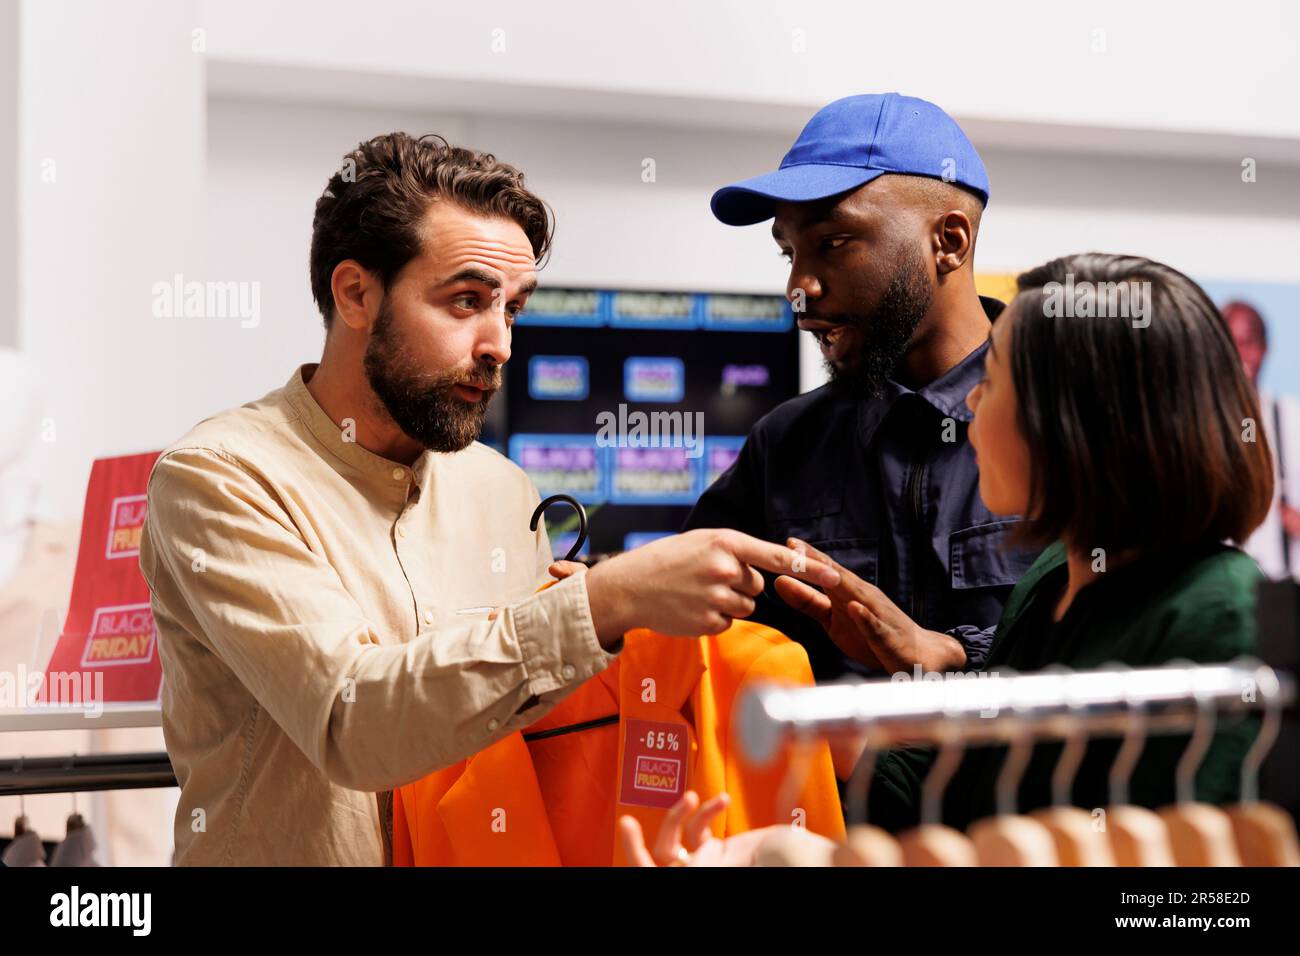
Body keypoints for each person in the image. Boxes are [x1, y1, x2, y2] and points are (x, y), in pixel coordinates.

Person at [139, 133, 837, 866]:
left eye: (512, 309)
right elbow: (352, 722)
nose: (499, 342)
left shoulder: (502, 490)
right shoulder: (219, 478)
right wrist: (602, 604)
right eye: (466, 301)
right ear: (355, 294)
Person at [779, 253, 1273, 830]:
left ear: (1080, 420)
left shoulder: (1221, 618)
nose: (969, 402)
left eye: (992, 381)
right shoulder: (1052, 580)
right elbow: (978, 784)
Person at [684, 93, 1041, 690]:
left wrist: (956, 653)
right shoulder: (786, 443)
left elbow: (1126, 641)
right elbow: (698, 618)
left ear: (949, 242)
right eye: (789, 252)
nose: (799, 288)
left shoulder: (1068, 422)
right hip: (832, 786)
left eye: (834, 243)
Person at [1223, 300, 1300, 579]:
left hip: (1283, 590)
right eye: (1231, 344)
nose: (1241, 354)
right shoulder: (1199, 428)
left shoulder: (1291, 419)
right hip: (1222, 585)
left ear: (1264, 349)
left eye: (1249, 342)